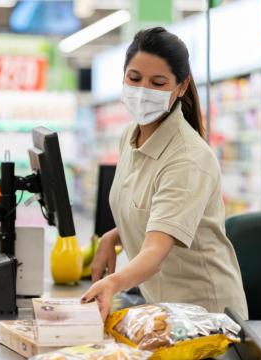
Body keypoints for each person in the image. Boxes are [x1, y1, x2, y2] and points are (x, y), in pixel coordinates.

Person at [82, 27, 248, 321]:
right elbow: (153, 210)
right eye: (134, 78)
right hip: (165, 310)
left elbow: (156, 250)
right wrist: (114, 235)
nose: (143, 91)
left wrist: (113, 282)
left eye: (158, 83)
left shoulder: (188, 158)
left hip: (207, 316)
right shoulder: (130, 136)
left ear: (181, 87)